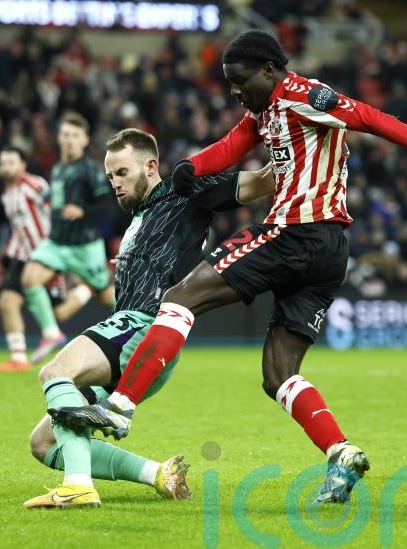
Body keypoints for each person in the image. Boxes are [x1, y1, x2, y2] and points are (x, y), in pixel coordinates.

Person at [49, 30, 407, 505]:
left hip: (295, 232)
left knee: (178, 299)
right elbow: (235, 143)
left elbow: (368, 116)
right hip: (328, 252)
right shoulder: (264, 111)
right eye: (229, 84)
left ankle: (120, 407)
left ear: (270, 70)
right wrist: (193, 166)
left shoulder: (304, 96)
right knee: (278, 374)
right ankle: (340, 453)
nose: (236, 91)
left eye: (240, 81)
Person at [23, 128, 274, 508]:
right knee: (43, 443)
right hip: (140, 344)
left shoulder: (182, 191)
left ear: (151, 165)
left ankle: (77, 486)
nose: (115, 184)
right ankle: (158, 474)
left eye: (122, 172)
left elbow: (261, 182)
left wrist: (304, 144)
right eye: (110, 177)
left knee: (56, 373)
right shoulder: (140, 217)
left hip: (145, 327)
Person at [20, 112, 116, 364]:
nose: (69, 140)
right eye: (65, 135)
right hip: (56, 243)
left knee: (108, 296)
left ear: (85, 140)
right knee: (30, 278)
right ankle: (51, 334)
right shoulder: (59, 168)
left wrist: (83, 211)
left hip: (84, 247)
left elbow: (108, 205)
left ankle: (144, 324)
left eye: (75, 136)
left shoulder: (90, 170)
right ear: (59, 138)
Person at [0, 146, 93, 372]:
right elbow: (19, 229)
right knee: (7, 301)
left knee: (59, 313)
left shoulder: (35, 185)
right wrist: (9, 252)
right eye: (3, 163)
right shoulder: (7, 194)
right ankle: (18, 358)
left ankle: (88, 288)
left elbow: (58, 210)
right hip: (23, 257)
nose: (6, 167)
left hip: (46, 256)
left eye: (11, 162)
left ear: (23, 164)